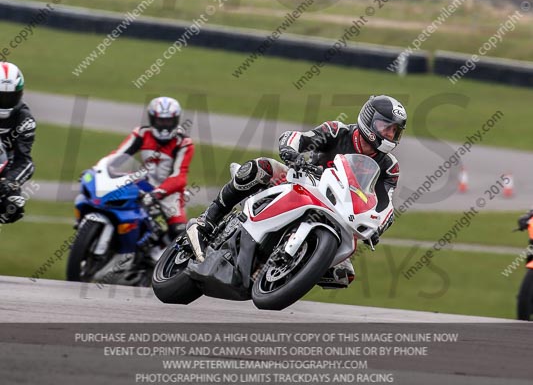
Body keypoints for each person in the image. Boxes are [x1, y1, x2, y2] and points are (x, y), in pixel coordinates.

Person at [189, 94, 406, 288]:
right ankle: (207, 220)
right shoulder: (337, 131)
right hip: (303, 181)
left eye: (394, 130)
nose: (388, 133)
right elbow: (298, 137)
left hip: (341, 212)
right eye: (385, 126)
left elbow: (386, 206)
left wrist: (377, 225)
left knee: (342, 274)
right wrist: (291, 151)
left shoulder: (389, 166)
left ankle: (300, 264)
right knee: (260, 168)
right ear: (369, 119)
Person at [113, 96, 194, 238]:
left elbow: (179, 177)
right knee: (113, 205)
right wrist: (98, 169)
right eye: (160, 120)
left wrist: (158, 193)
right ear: (152, 119)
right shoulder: (142, 134)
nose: (164, 125)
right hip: (142, 184)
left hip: (170, 194)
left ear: (175, 120)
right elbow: (117, 156)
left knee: (180, 235)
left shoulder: (183, 143)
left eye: (168, 121)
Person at [0, 62, 36, 226]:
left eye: (10, 96)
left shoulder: (25, 120)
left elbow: (25, 162)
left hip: (3, 170)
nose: (5, 101)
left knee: (13, 208)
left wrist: (10, 182)